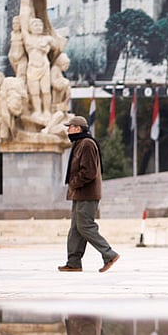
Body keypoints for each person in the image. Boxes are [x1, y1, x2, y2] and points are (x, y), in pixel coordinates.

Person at [58, 115, 120, 273]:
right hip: (79, 193)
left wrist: (74, 183)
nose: (68, 130)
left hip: (87, 193)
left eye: (70, 127)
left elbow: (89, 172)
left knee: (85, 226)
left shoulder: (86, 144)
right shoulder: (80, 143)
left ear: (78, 128)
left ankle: (109, 254)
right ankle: (73, 263)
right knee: (75, 229)